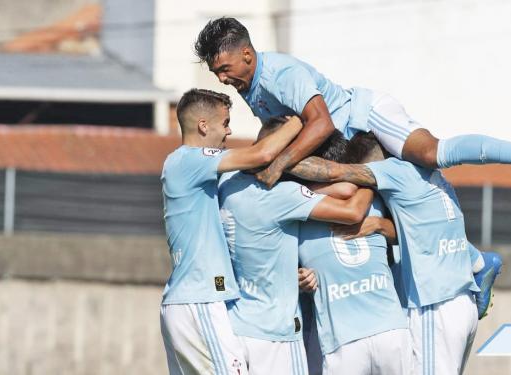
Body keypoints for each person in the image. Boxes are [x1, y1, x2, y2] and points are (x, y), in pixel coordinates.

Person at [194, 17, 511, 190]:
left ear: (246, 54)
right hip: (348, 146)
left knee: (432, 155)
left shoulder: (280, 74)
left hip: (367, 117)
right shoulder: (248, 86)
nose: (223, 79)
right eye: (217, 74)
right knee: (398, 197)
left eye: (225, 69)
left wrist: (278, 165)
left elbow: (320, 124)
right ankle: (476, 263)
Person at [288, 132, 486, 375]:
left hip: (434, 303)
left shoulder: (387, 178)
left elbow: (345, 185)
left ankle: (479, 262)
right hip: (447, 304)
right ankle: (478, 261)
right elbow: (423, 232)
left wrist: (280, 164)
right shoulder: (420, 178)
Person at [159, 88, 303, 375]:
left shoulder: (188, 167)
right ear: (203, 125)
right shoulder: (190, 159)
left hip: (192, 300)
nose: (229, 131)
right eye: (225, 123)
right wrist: (301, 121)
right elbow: (261, 154)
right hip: (199, 301)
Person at [217, 119, 377, 374]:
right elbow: (351, 206)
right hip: (276, 331)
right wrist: (374, 171)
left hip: (236, 324)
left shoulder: (226, 181)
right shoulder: (283, 195)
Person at [294, 129, 411, 375]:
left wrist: (380, 225)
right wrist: (299, 279)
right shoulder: (298, 211)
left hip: (382, 332)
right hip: (348, 339)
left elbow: (411, 235)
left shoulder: (372, 198)